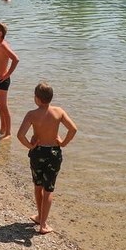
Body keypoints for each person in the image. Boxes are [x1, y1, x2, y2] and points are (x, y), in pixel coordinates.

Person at [16, 82, 78, 235]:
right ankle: (43, 223)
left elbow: (20, 135)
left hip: (37, 153)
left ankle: (39, 216)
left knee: (38, 186)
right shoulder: (58, 112)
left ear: (37, 98)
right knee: (49, 189)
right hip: (53, 154)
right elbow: (73, 129)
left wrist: (31, 147)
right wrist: (63, 143)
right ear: (51, 97)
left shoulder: (32, 114)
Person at [0, 22, 19, 139]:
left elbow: (15, 59)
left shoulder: (3, 45)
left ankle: (8, 132)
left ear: (0, 33)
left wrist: (7, 75)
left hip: (3, 79)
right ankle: (2, 128)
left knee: (4, 106)